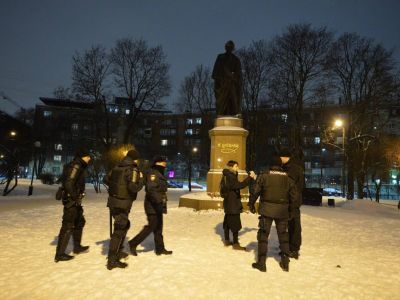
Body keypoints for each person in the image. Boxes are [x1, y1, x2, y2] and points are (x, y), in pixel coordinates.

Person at [248, 155, 299, 272]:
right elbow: (295, 197)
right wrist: (291, 210)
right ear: (280, 165)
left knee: (263, 236)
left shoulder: (264, 175)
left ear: (270, 164)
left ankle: (261, 263)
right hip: (282, 211)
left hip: (266, 209)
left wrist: (251, 204)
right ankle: (285, 262)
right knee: (283, 236)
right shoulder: (288, 178)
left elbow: (255, 191)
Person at [104, 149, 144, 270]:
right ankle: (112, 261)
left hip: (113, 202)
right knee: (119, 230)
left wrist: (116, 187)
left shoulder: (117, 167)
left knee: (124, 225)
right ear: (135, 159)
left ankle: (118, 251)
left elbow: (105, 179)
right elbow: (133, 187)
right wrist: (141, 179)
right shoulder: (133, 169)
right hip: (122, 203)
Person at [128, 155, 172, 256]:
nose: (165, 164)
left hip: (158, 204)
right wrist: (158, 202)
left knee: (159, 227)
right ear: (158, 163)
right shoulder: (153, 173)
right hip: (152, 205)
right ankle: (133, 243)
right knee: (152, 226)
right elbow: (151, 189)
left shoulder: (159, 172)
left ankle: (160, 249)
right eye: (163, 163)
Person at [54, 148, 91, 262]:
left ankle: (77, 247)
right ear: (83, 156)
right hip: (71, 200)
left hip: (75, 200)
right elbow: (69, 183)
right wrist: (75, 196)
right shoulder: (76, 166)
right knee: (68, 225)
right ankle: (59, 254)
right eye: (88, 156)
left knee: (80, 222)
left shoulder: (78, 165)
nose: (89, 158)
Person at [221, 160, 256, 250]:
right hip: (232, 202)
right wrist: (249, 178)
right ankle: (236, 244)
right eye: (236, 166)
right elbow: (238, 185)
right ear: (231, 167)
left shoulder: (228, 174)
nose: (237, 168)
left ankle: (227, 240)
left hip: (229, 202)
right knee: (235, 223)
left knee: (228, 221)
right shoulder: (230, 175)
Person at [279, 148, 304, 259]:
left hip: (292, 202)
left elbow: (294, 186)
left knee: (294, 226)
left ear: (285, 157)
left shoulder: (294, 169)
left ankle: (294, 249)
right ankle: (288, 247)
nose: (279, 159)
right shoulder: (286, 167)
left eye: (281, 157)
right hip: (287, 201)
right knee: (288, 225)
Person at [212, 40, 242, 117]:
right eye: (228, 47)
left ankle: (235, 113)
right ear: (225, 47)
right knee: (221, 101)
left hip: (231, 83)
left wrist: (233, 78)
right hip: (222, 84)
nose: (229, 48)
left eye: (230, 47)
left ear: (232, 49)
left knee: (233, 99)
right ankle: (221, 113)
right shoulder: (220, 57)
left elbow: (238, 74)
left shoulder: (236, 59)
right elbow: (215, 72)